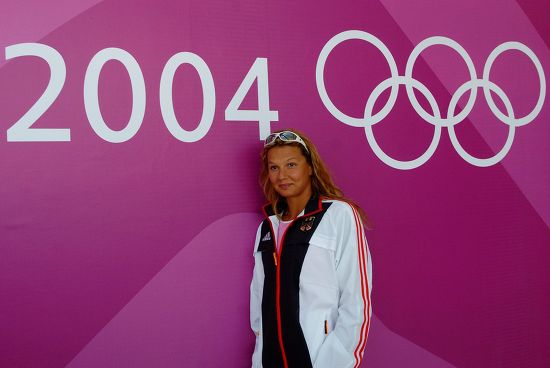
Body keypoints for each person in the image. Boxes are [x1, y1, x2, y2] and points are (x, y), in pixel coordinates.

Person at [250, 129, 372, 368]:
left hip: (320, 361)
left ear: (310, 167)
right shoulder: (267, 227)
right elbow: (258, 305)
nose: (282, 175)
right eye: (274, 168)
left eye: (291, 164)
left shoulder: (339, 214)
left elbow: (356, 302)